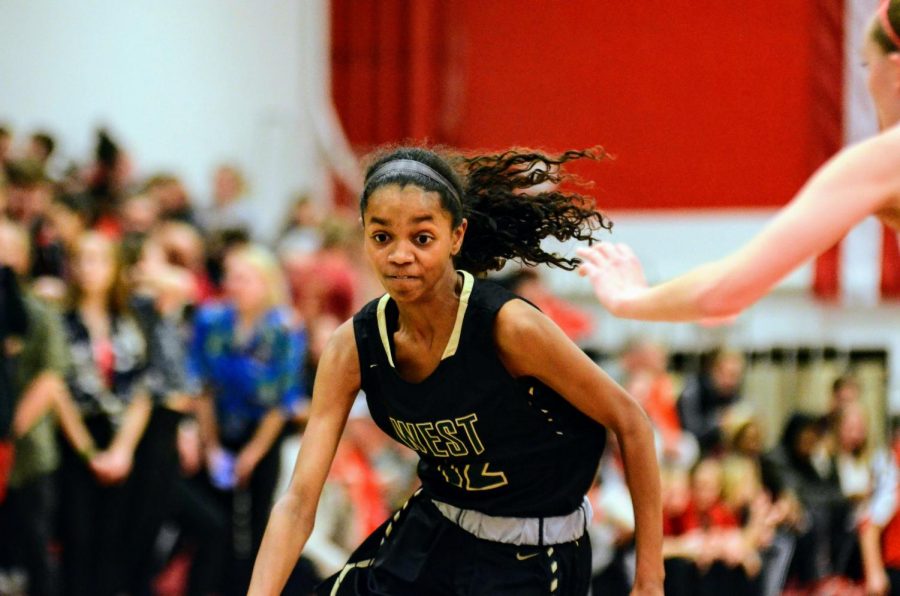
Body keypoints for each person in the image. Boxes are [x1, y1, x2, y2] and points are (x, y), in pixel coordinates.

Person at [248, 146, 664, 595]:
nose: (399, 255)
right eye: (382, 237)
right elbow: (297, 501)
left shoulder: (510, 328)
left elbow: (631, 422)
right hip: (434, 533)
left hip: (532, 556)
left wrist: (649, 581)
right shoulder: (352, 345)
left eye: (421, 238)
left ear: (456, 236)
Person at [577, 0, 900, 323]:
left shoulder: (885, 158)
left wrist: (629, 298)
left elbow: (718, 294)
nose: (869, 82)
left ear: (896, 69)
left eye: (866, 65)